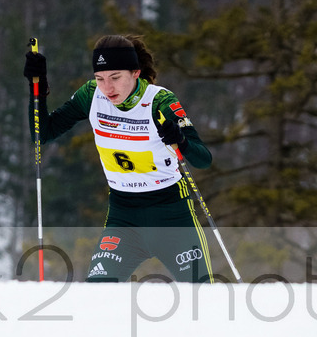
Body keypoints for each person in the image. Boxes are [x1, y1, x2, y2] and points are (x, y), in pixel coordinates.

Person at [24, 35, 213, 283]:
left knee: (201, 294)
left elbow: (203, 159)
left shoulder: (160, 101)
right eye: (100, 78)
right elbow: (43, 133)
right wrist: (38, 89)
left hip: (171, 213)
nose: (107, 88)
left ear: (135, 73)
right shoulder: (92, 95)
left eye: (115, 77)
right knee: (99, 291)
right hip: (124, 216)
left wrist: (181, 140)